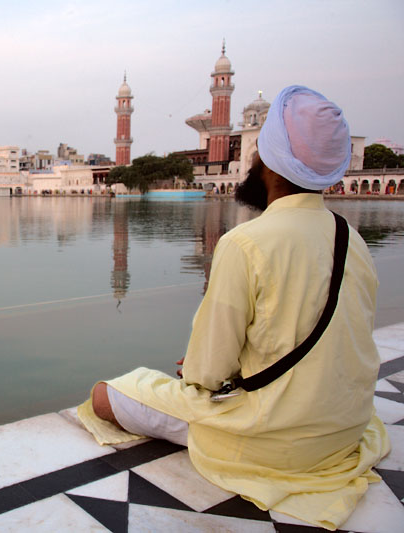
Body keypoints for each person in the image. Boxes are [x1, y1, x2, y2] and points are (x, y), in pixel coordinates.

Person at [79, 85, 390, 530]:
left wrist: (202, 369)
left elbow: (205, 375)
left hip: (271, 439)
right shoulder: (352, 239)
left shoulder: (246, 242)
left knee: (105, 395)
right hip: (343, 431)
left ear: (268, 162)